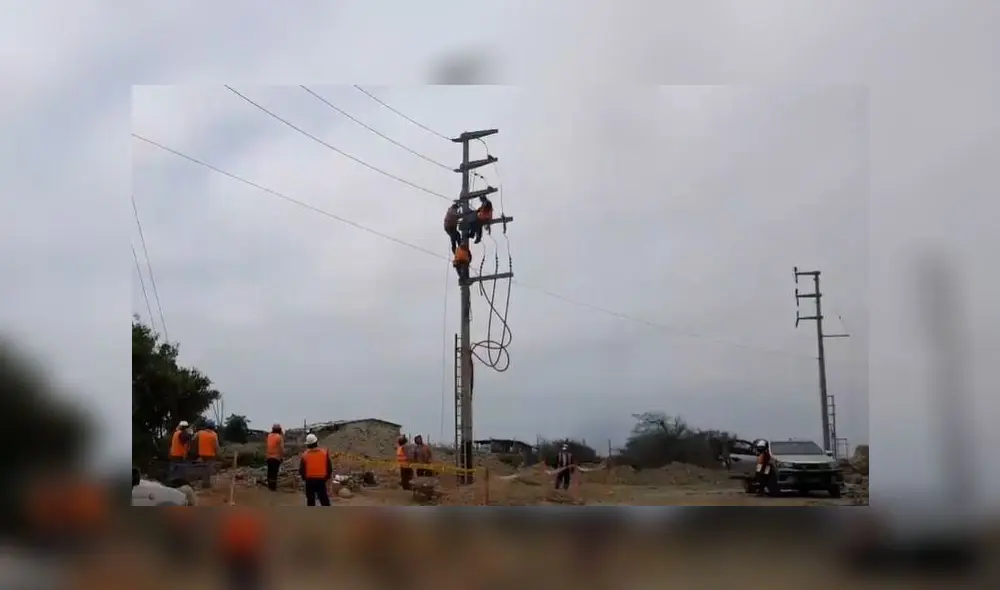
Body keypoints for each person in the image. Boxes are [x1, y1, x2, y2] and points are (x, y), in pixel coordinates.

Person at [298, 433, 333, 506]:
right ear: (316, 442)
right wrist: (327, 478)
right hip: (321, 480)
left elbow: (301, 470)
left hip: (309, 481)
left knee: (310, 501)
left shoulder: (304, 455)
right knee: (324, 499)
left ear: (308, 444)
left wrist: (305, 479)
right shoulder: (324, 453)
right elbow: (329, 468)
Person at [195, 420, 221, 489]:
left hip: (201, 454)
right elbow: (216, 446)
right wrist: (217, 454)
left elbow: (193, 439)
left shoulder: (200, 433)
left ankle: (202, 482)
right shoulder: (214, 434)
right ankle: (206, 484)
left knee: (203, 469)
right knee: (208, 469)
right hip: (210, 455)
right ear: (213, 427)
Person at [265, 423, 284, 492]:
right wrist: (282, 457)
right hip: (276, 458)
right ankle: (273, 488)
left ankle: (269, 487)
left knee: (269, 472)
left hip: (268, 457)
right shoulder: (279, 437)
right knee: (274, 473)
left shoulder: (269, 436)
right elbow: (281, 449)